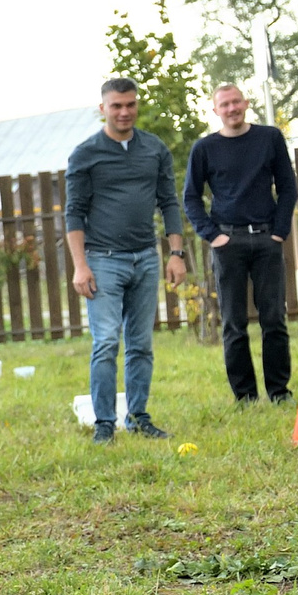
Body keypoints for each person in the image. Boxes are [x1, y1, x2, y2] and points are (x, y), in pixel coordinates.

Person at [65, 76, 190, 442]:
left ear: (137, 105)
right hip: (103, 260)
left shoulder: (154, 149)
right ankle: (105, 423)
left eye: (130, 104)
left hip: (146, 258)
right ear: (102, 108)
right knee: (105, 342)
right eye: (116, 105)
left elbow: (168, 201)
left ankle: (138, 416)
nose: (124, 112)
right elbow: (74, 213)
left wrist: (176, 253)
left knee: (141, 344)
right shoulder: (86, 153)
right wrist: (80, 265)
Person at [181, 84, 298, 405]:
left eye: (236, 102)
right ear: (215, 110)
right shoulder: (204, 148)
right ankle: (245, 396)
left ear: (245, 104)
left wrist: (279, 231)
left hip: (266, 238)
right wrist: (213, 236)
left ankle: (279, 391)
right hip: (227, 240)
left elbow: (288, 187)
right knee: (233, 322)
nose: (232, 108)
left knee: (274, 319)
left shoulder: (270, 138)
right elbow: (191, 197)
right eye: (224, 104)